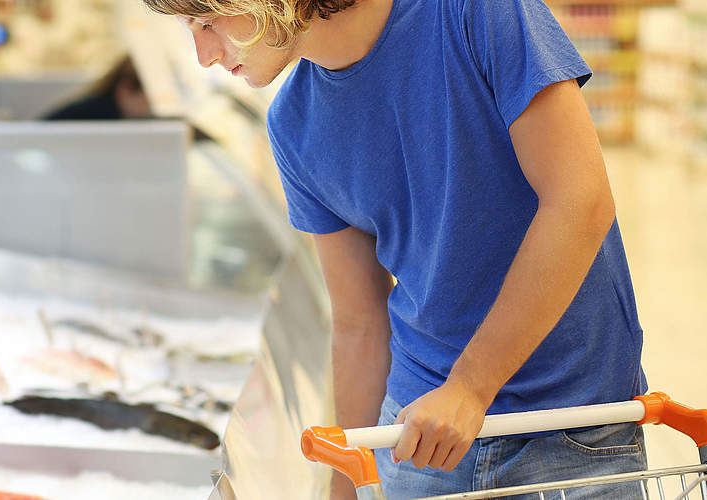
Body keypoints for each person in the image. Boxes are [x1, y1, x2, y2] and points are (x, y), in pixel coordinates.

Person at [140, 0, 648, 497]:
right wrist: (343, 485)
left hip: (572, 421)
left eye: (206, 21)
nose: (203, 54)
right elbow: (358, 323)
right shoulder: (293, 124)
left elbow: (579, 202)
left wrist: (471, 388)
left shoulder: (475, 12)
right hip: (415, 435)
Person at [42, 55, 153, 120]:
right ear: (126, 90)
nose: (152, 108)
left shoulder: (104, 110)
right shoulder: (100, 117)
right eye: (150, 99)